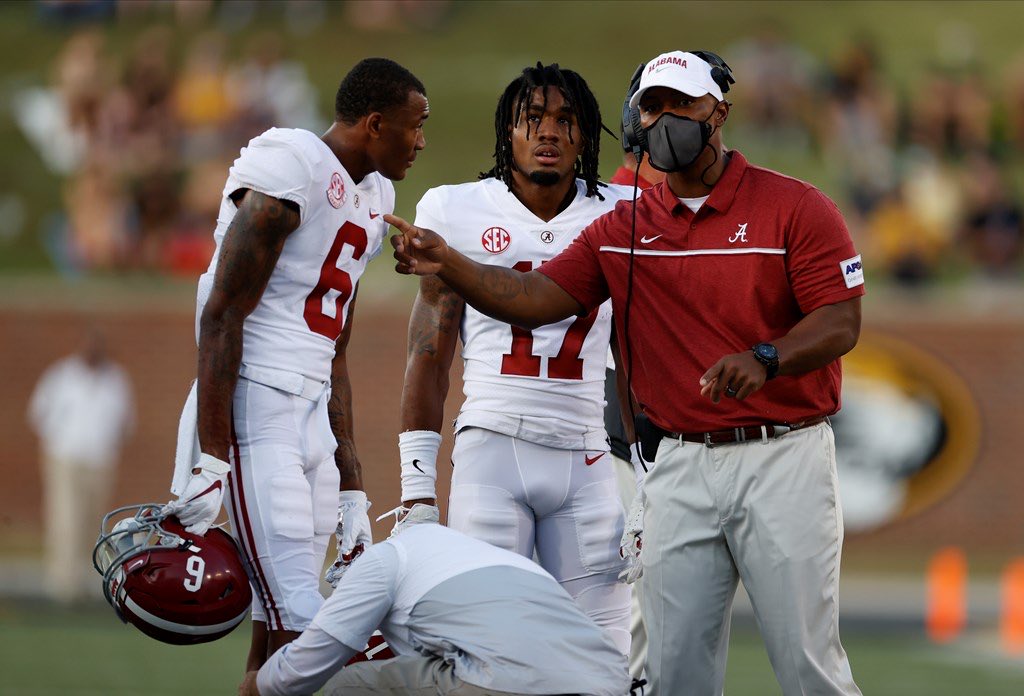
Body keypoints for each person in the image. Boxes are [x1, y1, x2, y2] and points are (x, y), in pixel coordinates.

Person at [389, 49, 864, 696]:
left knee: (805, 662)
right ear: (635, 120)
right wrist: (448, 261)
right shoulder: (624, 224)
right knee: (666, 674)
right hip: (671, 462)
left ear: (718, 112)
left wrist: (766, 358)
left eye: (683, 105)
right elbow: (531, 300)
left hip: (779, 453)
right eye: (654, 105)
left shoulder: (794, 206)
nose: (667, 118)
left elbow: (841, 322)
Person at [162, 57, 429, 676]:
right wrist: (210, 458)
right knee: (309, 627)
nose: (421, 142)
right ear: (373, 123)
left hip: (310, 415)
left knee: (274, 638)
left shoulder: (376, 194)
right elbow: (221, 314)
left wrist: (353, 482)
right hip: (256, 404)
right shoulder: (291, 166)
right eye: (414, 126)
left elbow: (335, 343)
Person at [395, 62, 634, 655]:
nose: (547, 132)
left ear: (586, 137)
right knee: (490, 649)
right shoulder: (456, 209)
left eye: (564, 120)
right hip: (493, 448)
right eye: (532, 119)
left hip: (587, 451)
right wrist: (416, 488)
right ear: (509, 132)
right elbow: (429, 351)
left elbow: (638, 356)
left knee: (606, 656)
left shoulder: (625, 211)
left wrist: (651, 480)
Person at [238, 519, 630, 696]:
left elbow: (304, 668)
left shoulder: (382, 560)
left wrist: (258, 683)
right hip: (612, 682)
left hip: (512, 683)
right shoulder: (496, 561)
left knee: (347, 686)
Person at [28, 328, 134, 603]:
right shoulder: (61, 376)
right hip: (65, 457)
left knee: (93, 520)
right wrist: (58, 444)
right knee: (65, 518)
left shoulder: (116, 380)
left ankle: (88, 581)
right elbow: (38, 413)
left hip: (101, 461)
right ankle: (62, 585)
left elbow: (126, 422)